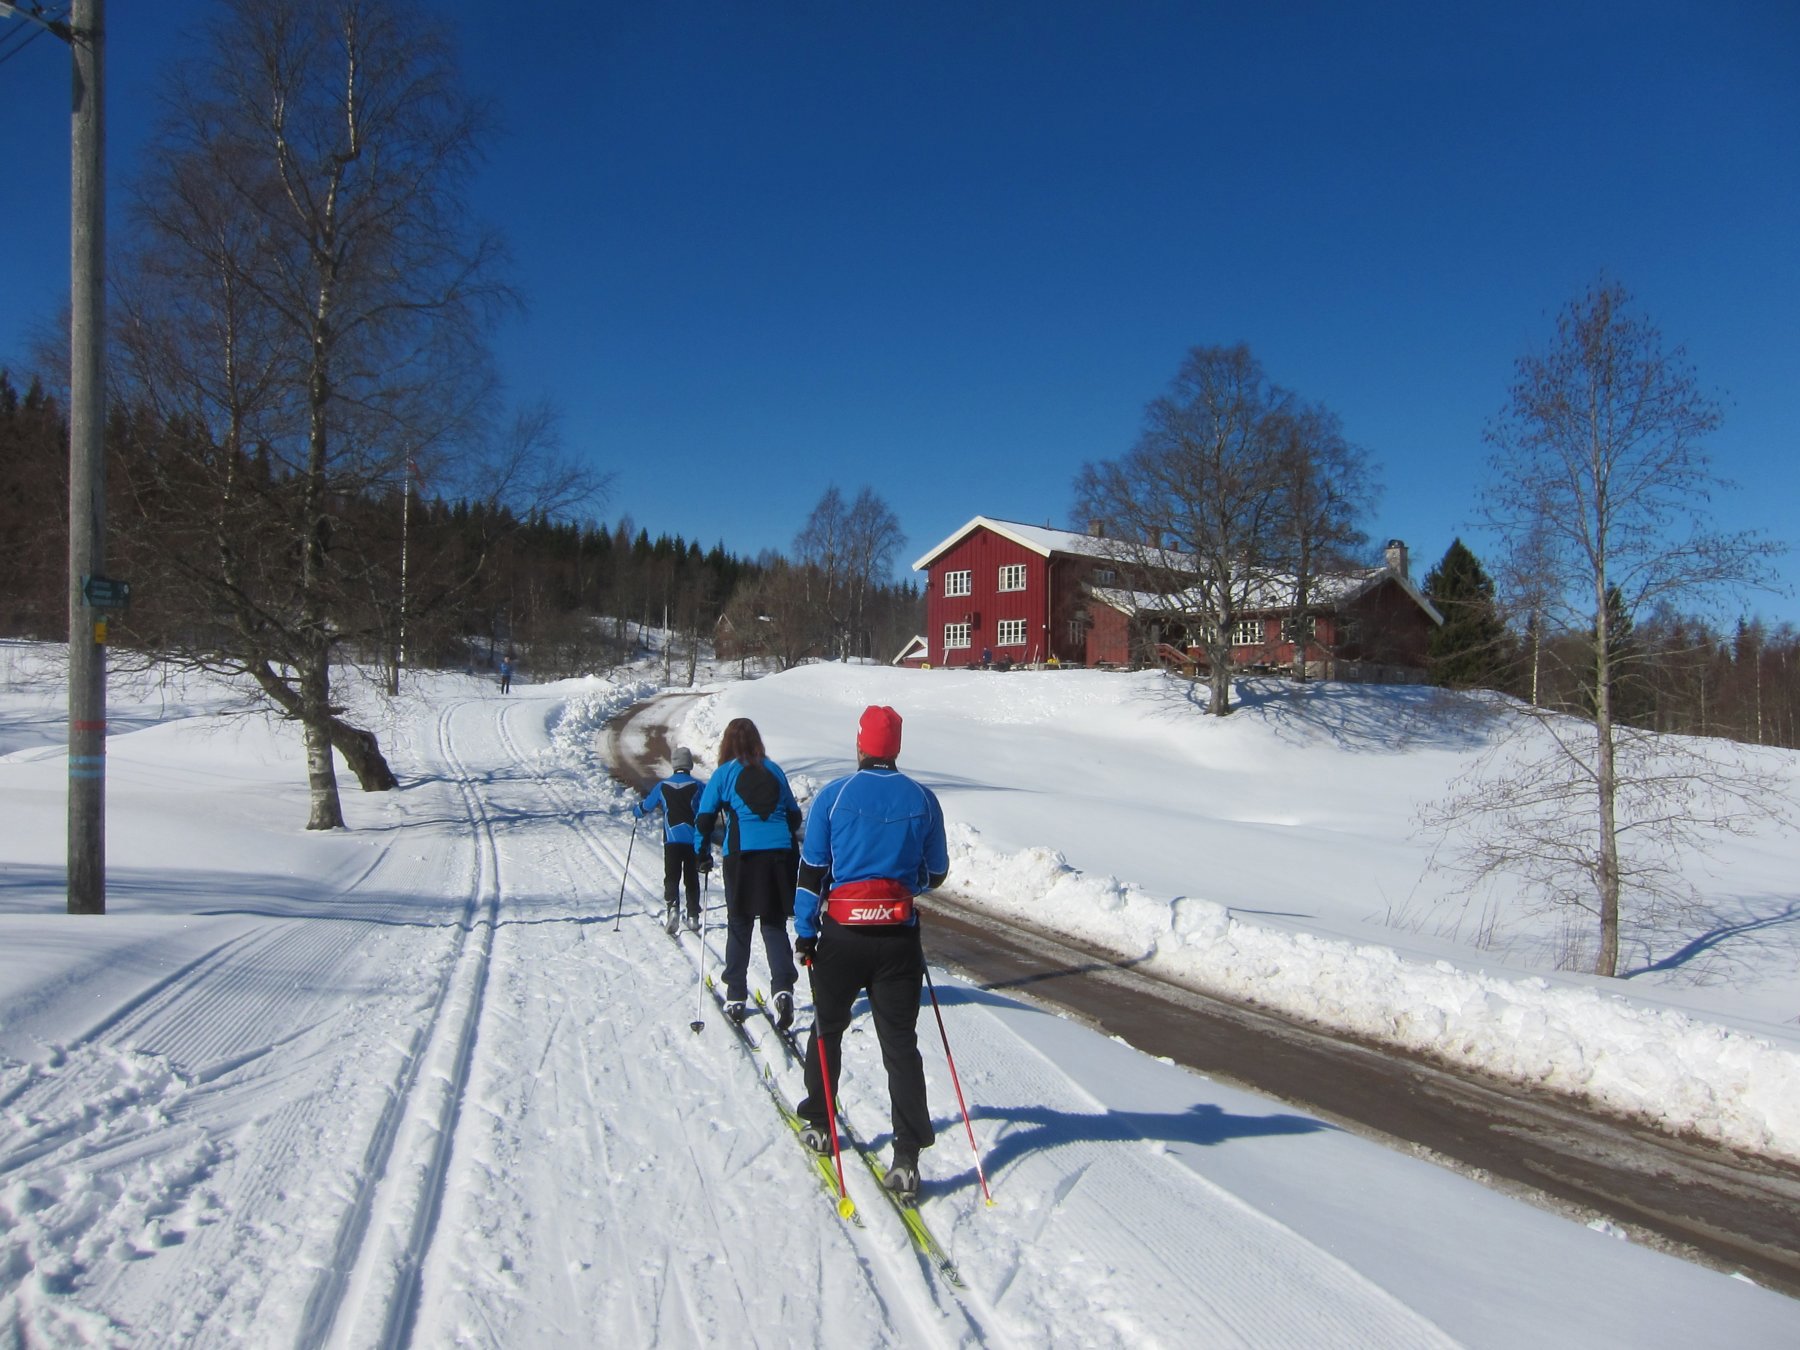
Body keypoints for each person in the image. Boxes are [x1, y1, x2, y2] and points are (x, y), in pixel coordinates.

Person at [793, 705, 948, 1203]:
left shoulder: (833, 798)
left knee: (827, 1029)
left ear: (860, 745)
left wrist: (803, 931)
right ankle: (906, 1157)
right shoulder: (923, 800)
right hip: (898, 938)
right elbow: (937, 873)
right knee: (900, 1045)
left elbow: (812, 872)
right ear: (896, 747)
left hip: (842, 935)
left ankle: (819, 1122)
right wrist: (905, 887)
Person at [693, 717, 802, 1029]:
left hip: (743, 855)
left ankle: (736, 994)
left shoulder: (724, 774)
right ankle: (782, 989)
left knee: (739, 923)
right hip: (780, 853)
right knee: (773, 922)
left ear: (727, 744)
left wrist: (701, 852)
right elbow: (793, 816)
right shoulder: (774, 770)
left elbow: (704, 818)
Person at [633, 747, 705, 934]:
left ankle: (673, 907)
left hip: (671, 840)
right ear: (689, 764)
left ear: (674, 764)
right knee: (692, 878)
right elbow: (710, 806)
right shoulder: (698, 786)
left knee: (671, 876)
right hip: (693, 840)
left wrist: (637, 810)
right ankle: (693, 916)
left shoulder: (663, 786)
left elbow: (647, 806)